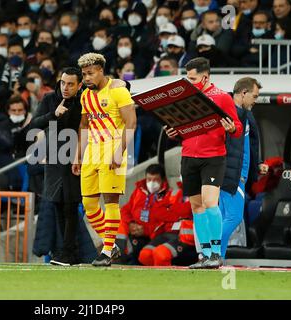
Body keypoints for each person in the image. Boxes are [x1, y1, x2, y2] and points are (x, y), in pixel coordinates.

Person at [164, 57, 243, 269]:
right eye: (187, 78)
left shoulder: (222, 98)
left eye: (192, 79)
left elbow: (238, 127)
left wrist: (231, 129)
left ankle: (217, 253)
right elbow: (182, 127)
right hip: (189, 156)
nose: (188, 83)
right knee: (196, 206)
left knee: (210, 203)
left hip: (213, 157)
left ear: (205, 77)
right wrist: (174, 132)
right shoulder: (186, 98)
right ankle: (206, 255)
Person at [73, 52, 136, 267]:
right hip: (91, 152)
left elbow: (131, 123)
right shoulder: (85, 96)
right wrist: (78, 154)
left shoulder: (118, 91)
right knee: (89, 204)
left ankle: (107, 250)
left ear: (101, 70)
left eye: (90, 73)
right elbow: (83, 126)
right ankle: (111, 244)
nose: (87, 78)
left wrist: (119, 152)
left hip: (113, 151)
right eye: (84, 74)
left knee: (110, 201)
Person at [30, 67, 84, 266]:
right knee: (59, 205)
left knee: (70, 205)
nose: (65, 87)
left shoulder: (85, 100)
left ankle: (68, 252)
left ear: (79, 85)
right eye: (63, 83)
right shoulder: (49, 99)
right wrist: (53, 114)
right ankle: (67, 252)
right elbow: (35, 123)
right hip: (54, 159)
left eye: (70, 84)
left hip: (75, 159)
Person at [219, 77, 268, 260]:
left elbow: (250, 143)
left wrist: (257, 164)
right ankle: (209, 251)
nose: (255, 100)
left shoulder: (246, 114)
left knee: (226, 217)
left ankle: (217, 259)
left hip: (240, 173)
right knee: (234, 217)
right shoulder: (227, 114)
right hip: (232, 174)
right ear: (243, 93)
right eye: (254, 96)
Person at [117, 164, 193, 265]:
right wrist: (131, 223)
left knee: (155, 254)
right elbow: (125, 210)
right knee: (118, 223)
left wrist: (146, 230)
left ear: (162, 180)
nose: (151, 183)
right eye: (149, 179)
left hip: (156, 233)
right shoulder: (139, 192)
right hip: (138, 229)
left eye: (155, 180)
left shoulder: (169, 194)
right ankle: (117, 259)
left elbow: (164, 219)